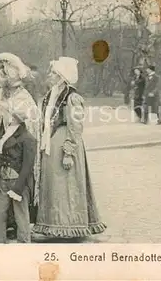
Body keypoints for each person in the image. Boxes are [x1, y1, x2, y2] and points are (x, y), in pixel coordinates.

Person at [32, 57, 106, 241]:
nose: (49, 75)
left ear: (61, 77)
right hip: (51, 145)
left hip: (65, 143)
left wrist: (68, 152)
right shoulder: (51, 95)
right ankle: (53, 225)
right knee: (54, 186)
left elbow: (76, 126)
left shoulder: (72, 97)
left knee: (66, 186)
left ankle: (69, 226)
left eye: (53, 73)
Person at [0, 55, 38, 243]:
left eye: (6, 71)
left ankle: (23, 242)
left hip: (18, 172)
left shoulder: (24, 99)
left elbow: (29, 119)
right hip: (3, 170)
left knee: (20, 212)